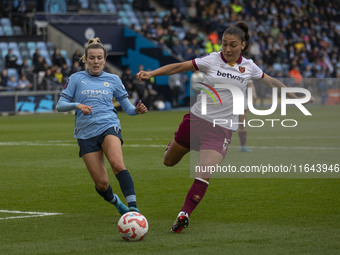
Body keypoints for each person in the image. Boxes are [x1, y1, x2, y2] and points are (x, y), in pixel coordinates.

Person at [137, 22, 314, 233]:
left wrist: (295, 96)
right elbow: (178, 66)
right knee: (169, 161)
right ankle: (173, 146)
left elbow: (272, 82)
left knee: (204, 172)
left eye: (232, 45)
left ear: (243, 45)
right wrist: (152, 73)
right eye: (224, 44)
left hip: (220, 129)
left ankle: (183, 214)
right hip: (196, 121)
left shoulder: (249, 67)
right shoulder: (211, 60)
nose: (227, 49)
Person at [56, 37, 148, 216]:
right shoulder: (76, 79)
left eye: (99, 58)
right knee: (102, 184)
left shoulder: (113, 79)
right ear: (86, 59)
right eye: (92, 58)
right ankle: (117, 202)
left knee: (117, 164)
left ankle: (134, 208)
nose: (96, 61)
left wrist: (136, 110)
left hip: (109, 125)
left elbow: (127, 108)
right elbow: (60, 105)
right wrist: (77, 105)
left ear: (105, 60)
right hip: (85, 133)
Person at [238, 80, 257, 152]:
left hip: (241, 103)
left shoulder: (245, 70)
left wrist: (253, 92)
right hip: (227, 103)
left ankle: (243, 146)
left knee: (242, 125)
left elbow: (250, 84)